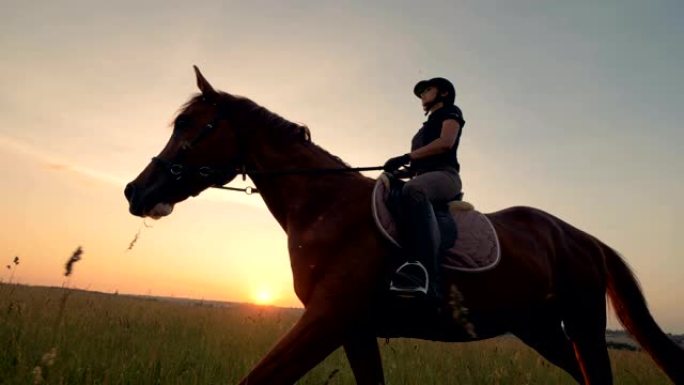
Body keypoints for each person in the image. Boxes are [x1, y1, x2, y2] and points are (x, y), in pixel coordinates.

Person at [383, 77, 465, 301]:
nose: (422, 96)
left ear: (444, 93)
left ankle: (422, 270)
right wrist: (398, 172)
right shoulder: (423, 129)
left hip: (446, 176)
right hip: (423, 176)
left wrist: (406, 157)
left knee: (413, 191)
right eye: (421, 94)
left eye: (427, 90)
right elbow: (418, 166)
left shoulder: (450, 112)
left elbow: (445, 143)